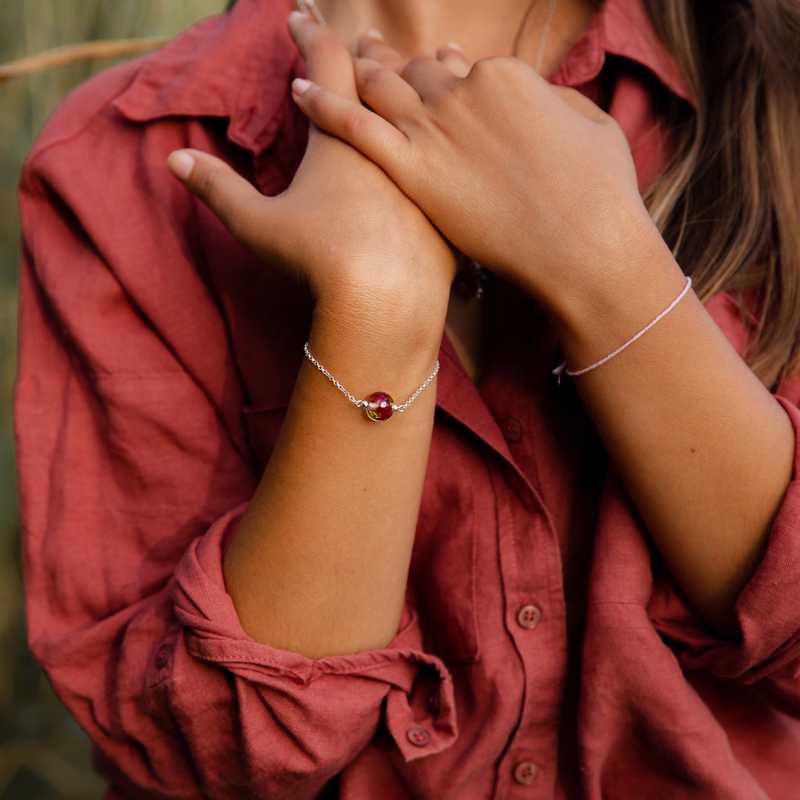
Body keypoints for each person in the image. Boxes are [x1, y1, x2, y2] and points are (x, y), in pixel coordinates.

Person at [13, 0, 800, 796]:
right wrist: (376, 308)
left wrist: (602, 265)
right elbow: (202, 757)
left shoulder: (768, 91)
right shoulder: (128, 160)